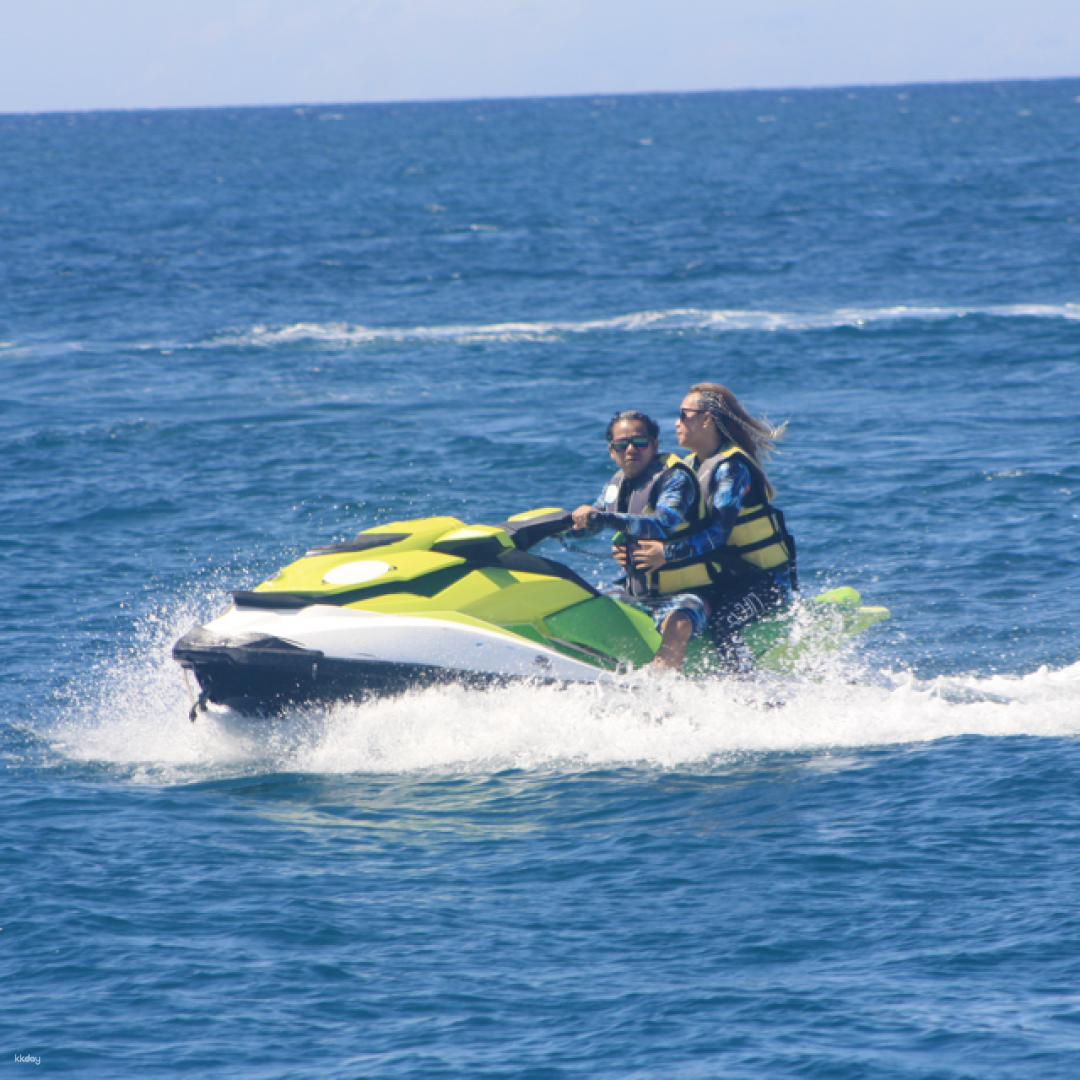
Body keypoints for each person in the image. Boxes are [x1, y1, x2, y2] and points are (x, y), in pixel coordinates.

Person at [629, 383, 797, 667]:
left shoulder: (731, 469)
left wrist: (665, 554)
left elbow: (718, 534)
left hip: (764, 581)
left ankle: (748, 690)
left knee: (723, 623)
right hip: (723, 577)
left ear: (705, 419)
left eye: (684, 414)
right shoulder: (689, 466)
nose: (676, 422)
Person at [570, 411, 708, 670]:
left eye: (640, 442)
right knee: (584, 607)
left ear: (654, 445)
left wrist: (603, 519)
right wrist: (566, 526)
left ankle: (662, 687)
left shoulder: (675, 479)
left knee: (679, 622)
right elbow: (591, 525)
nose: (631, 449)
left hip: (684, 593)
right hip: (635, 591)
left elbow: (662, 523)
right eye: (622, 444)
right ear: (612, 451)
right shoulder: (616, 485)